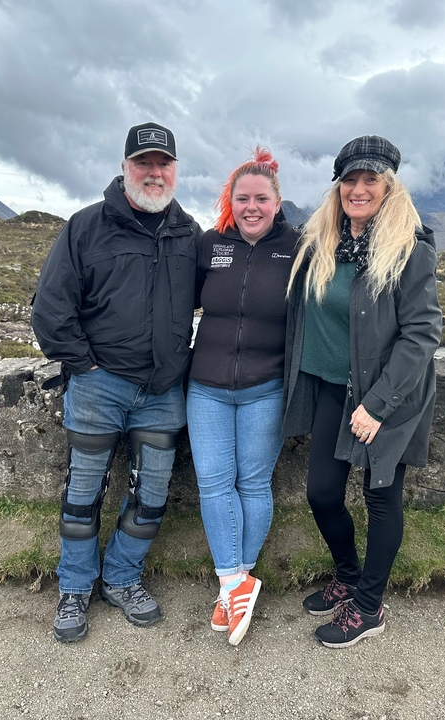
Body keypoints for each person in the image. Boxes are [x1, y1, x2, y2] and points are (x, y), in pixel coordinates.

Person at [31, 122, 201, 643]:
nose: (154, 173)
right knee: (83, 496)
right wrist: (84, 366)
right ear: (125, 167)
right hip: (98, 387)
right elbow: (50, 309)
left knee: (153, 495)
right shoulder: (85, 227)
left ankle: (122, 578)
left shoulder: (189, 234)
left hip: (162, 392)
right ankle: (76, 587)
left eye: (163, 164)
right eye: (143, 163)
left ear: (174, 170)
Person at [282, 135, 442, 649]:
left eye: (370, 179)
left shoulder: (409, 250)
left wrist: (377, 404)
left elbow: (422, 334)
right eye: (349, 179)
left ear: (389, 187)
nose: (358, 188)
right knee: (322, 492)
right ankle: (347, 575)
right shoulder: (323, 244)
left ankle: (369, 606)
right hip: (334, 388)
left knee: (380, 496)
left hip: (386, 397)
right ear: (337, 188)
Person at [187, 148, 298, 646]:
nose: (251, 206)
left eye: (261, 198)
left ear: (277, 202)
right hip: (205, 387)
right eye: (242, 198)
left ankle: (233, 586)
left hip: (266, 388)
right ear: (229, 201)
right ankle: (234, 583)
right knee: (213, 483)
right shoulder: (210, 245)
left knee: (253, 485)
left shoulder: (299, 248)